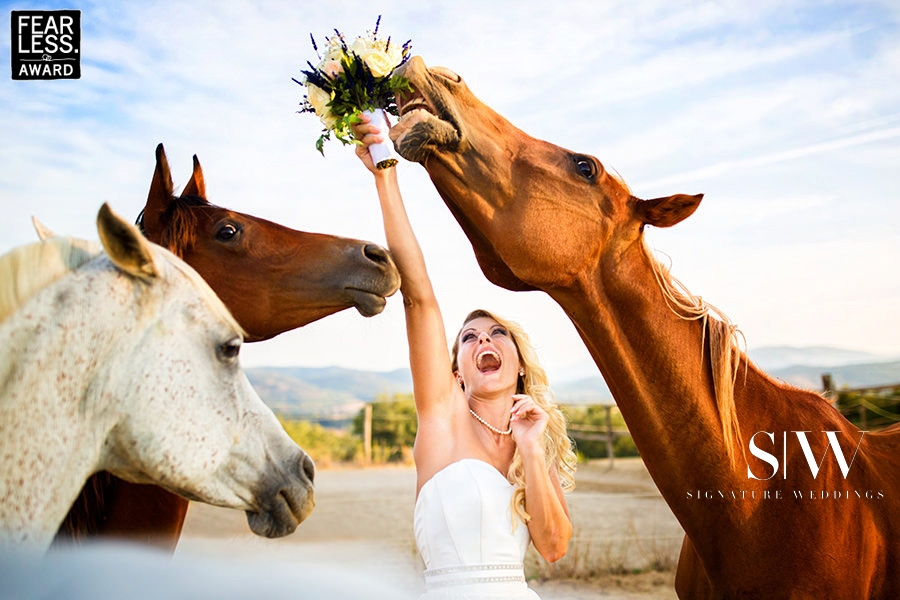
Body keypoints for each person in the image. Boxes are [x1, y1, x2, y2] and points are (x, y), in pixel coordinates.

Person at [353, 113, 577, 599]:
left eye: (498, 335)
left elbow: (554, 546)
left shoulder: (531, 448)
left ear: (519, 364)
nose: (484, 343)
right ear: (455, 370)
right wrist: (385, 175)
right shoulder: (441, 417)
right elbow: (419, 296)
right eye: (470, 338)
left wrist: (532, 448)